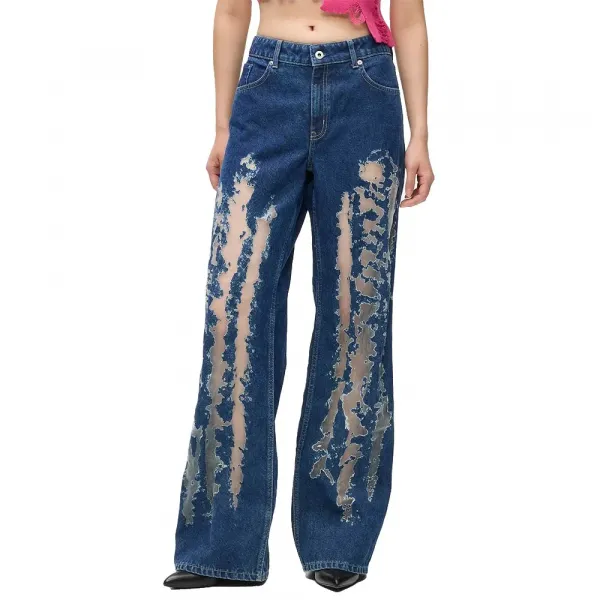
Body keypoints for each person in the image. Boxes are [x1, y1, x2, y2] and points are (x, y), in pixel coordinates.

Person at [164, 0, 434, 592]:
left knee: (357, 313)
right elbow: (231, 11)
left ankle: (338, 538)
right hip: (268, 87)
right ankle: (221, 545)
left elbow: (409, 17)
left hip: (365, 90)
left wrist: (420, 133)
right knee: (234, 308)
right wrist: (223, 125)